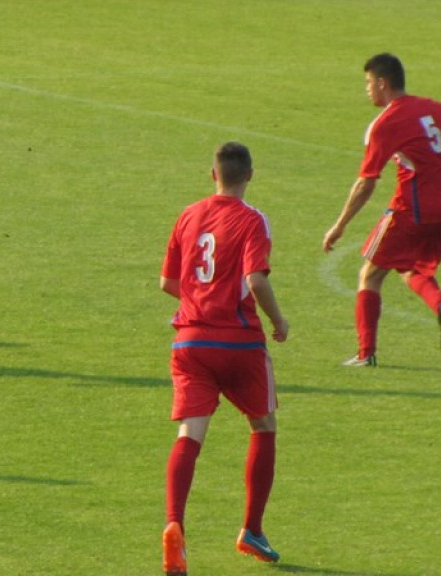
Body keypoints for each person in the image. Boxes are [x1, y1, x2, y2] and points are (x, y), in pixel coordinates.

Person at [158, 142, 289, 576]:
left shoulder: (188, 214)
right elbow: (255, 279)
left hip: (189, 343)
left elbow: (167, 282)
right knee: (263, 424)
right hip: (239, 344)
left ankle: (174, 523)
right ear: (250, 174)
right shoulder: (253, 220)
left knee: (189, 434)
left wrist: (200, 300)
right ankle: (252, 529)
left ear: (211, 174)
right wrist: (279, 321)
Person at [322, 53, 441, 367]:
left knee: (370, 276)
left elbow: (366, 182)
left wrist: (340, 225)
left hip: (411, 210)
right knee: (412, 268)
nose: (367, 90)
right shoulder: (435, 108)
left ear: (382, 83)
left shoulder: (386, 123)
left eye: (367, 83)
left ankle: (366, 354)